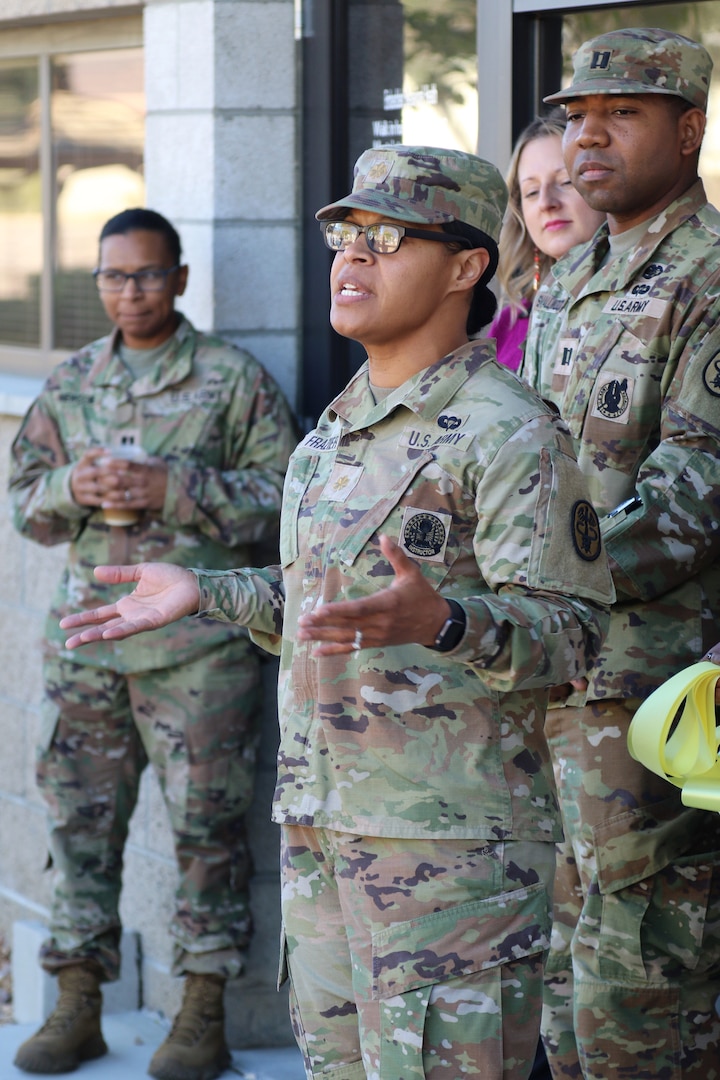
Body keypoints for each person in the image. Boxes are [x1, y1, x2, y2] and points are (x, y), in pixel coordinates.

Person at [57, 147, 614, 1080]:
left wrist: (443, 623)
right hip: (323, 829)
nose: (352, 259)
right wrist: (211, 589)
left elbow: (574, 633)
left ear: (467, 266)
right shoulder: (335, 428)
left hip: (452, 859)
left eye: (388, 238)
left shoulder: (513, 430)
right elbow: (325, 606)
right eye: (345, 238)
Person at [8, 208, 297, 1080]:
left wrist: (176, 487)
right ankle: (78, 1003)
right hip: (89, 646)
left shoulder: (232, 379)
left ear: (178, 278)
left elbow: (287, 501)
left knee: (207, 834)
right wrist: (72, 482)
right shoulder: (72, 380)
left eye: (145, 275)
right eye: (111, 276)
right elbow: (26, 501)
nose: (128, 292)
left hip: (198, 653)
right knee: (81, 828)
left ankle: (201, 1011)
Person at [521, 27, 720, 1080]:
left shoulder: (710, 280)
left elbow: (692, 501)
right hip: (555, 676)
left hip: (653, 693)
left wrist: (525, 571)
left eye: (622, 113)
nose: (587, 137)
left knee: (643, 992)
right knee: (565, 976)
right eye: (574, 117)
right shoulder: (576, 272)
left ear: (689, 129)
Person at [487, 112, 604, 372]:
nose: (545, 203)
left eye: (565, 181)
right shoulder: (510, 321)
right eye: (531, 191)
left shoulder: (640, 305)